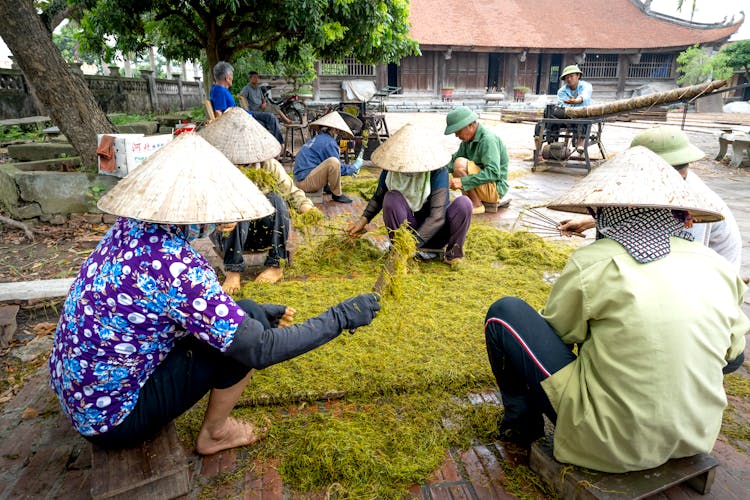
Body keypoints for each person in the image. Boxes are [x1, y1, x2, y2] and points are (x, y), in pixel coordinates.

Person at [48, 133, 381, 454]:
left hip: (82, 391)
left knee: (248, 313)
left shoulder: (130, 228)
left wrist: (255, 310)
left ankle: (249, 319)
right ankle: (216, 434)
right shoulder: (176, 268)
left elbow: (187, 310)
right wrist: (340, 317)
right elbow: (261, 350)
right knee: (243, 344)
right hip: (113, 420)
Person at [484, 146, 747, 473]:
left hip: (608, 442)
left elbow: (560, 335)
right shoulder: (716, 266)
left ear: (604, 212)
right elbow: (735, 356)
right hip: (695, 436)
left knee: (504, 313)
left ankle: (520, 425)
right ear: (676, 212)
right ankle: (676, 408)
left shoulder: (593, 262)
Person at [560, 126, 744, 276]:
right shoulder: (666, 183)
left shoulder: (693, 208)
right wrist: (592, 221)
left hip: (709, 278)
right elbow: (650, 217)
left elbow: (682, 260)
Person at [199, 107, 321, 290]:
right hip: (227, 236)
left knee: (276, 199)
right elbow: (201, 204)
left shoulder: (267, 165)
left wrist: (307, 208)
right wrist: (218, 221)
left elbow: (291, 192)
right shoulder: (216, 168)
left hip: (263, 234)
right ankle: (233, 271)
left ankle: (274, 265)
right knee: (241, 202)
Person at [346, 123, 473, 264]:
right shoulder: (391, 169)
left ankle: (453, 255)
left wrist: (411, 245)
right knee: (391, 197)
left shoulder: (437, 171)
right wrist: (362, 221)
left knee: (464, 204)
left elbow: (437, 217)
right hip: (407, 229)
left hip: (436, 233)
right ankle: (400, 250)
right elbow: (378, 198)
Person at [444, 106, 510, 215]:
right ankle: (469, 202)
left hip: (495, 190)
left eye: (458, 131)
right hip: (484, 187)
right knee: (457, 164)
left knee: (460, 164)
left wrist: (462, 181)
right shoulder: (467, 141)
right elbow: (452, 162)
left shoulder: (488, 140)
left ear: (471, 125)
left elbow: (493, 173)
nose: (456, 135)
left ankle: (476, 205)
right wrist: (435, 169)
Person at [209, 61, 285, 148]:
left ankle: (276, 146)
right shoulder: (219, 91)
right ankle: (279, 147)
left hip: (244, 115)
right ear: (227, 78)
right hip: (242, 120)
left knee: (270, 118)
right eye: (232, 75)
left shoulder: (217, 88)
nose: (232, 78)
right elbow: (218, 113)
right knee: (270, 118)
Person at [293, 111, 363, 204]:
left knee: (326, 160)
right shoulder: (329, 142)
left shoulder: (320, 138)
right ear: (333, 130)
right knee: (333, 162)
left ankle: (326, 187)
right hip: (305, 183)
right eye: (339, 131)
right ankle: (337, 194)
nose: (340, 134)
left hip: (300, 179)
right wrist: (353, 167)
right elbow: (338, 168)